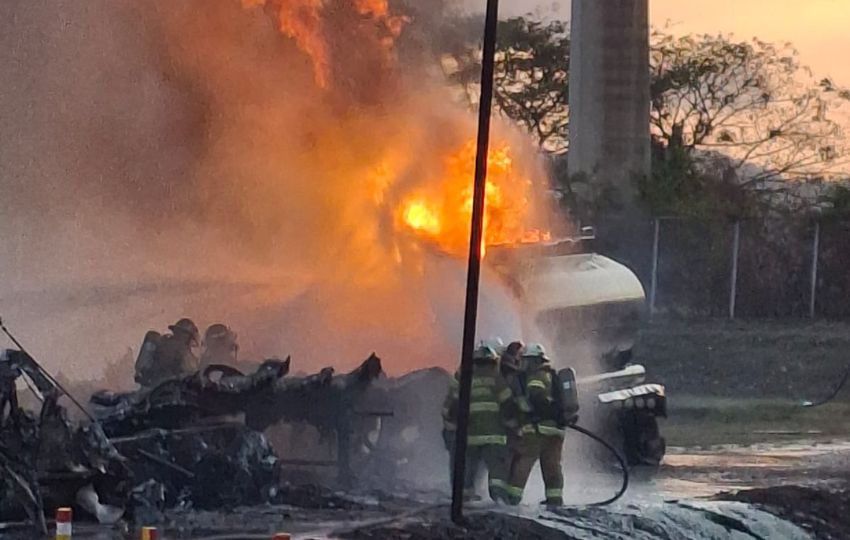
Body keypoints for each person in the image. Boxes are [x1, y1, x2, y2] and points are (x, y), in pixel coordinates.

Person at [441, 343, 514, 502]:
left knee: (468, 468)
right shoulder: (496, 378)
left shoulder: (466, 378)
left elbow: (452, 405)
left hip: (471, 435)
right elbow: (507, 402)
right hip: (494, 435)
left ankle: (465, 498)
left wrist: (453, 425)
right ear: (493, 361)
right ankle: (499, 499)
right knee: (496, 469)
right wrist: (513, 422)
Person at [506, 343, 566, 507]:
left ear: (533, 360)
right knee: (552, 466)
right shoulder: (551, 375)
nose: (523, 363)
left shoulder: (536, 376)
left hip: (537, 429)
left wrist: (531, 414)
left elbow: (536, 397)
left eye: (526, 360)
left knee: (524, 462)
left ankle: (512, 498)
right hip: (556, 430)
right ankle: (555, 499)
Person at [134, 318, 200, 388]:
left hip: (152, 387)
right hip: (170, 389)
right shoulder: (183, 350)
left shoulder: (162, 341)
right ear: (187, 336)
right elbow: (193, 371)